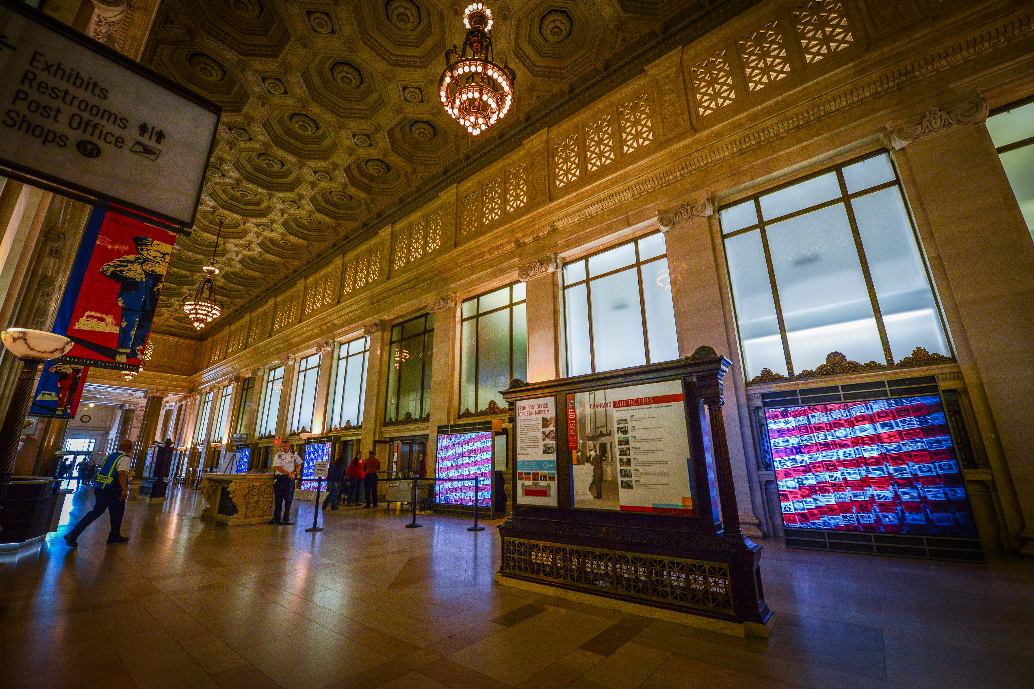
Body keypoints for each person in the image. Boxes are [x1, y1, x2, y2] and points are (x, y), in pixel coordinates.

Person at [100, 235, 173, 363]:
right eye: (142, 247)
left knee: (143, 327)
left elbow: (161, 279)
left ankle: (136, 349)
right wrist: (125, 275)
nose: (144, 250)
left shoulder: (156, 263)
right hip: (132, 299)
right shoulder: (130, 260)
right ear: (138, 248)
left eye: (147, 247)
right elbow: (105, 268)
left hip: (150, 301)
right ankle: (122, 351)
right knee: (128, 326)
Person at [63, 439, 133, 547]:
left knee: (96, 512)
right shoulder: (124, 458)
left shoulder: (111, 456)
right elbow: (121, 473)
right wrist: (124, 489)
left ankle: (73, 533)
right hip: (114, 490)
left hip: (101, 488)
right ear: (129, 448)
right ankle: (114, 535)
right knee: (117, 513)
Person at [270, 443, 300, 525]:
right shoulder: (278, 455)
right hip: (280, 479)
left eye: (286, 446)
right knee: (278, 499)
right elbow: (277, 467)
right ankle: (276, 518)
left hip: (289, 480)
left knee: (288, 499)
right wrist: (288, 473)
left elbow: (299, 464)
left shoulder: (294, 454)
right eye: (283, 446)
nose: (284, 448)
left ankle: (286, 518)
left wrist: (295, 472)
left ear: (289, 446)